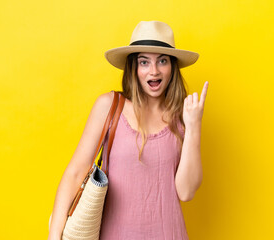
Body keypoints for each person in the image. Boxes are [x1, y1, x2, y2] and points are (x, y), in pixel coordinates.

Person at [48, 20, 208, 240]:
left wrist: (194, 127)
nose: (154, 71)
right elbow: (76, 172)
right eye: (144, 62)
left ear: (172, 66)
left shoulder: (183, 115)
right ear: (134, 67)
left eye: (162, 61)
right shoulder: (110, 106)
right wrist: (54, 234)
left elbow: (186, 192)